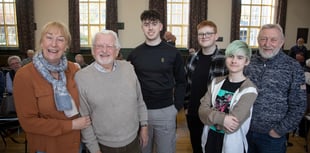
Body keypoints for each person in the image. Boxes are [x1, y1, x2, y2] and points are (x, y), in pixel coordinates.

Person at [13, 21, 91, 153]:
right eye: (49, 37)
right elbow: (28, 122)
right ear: (41, 42)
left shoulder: (73, 69)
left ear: (66, 46)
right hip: (46, 147)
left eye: (60, 40)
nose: (54, 44)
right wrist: (71, 125)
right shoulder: (24, 75)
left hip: (74, 144)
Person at [75, 29, 148, 153]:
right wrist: (94, 149)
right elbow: (84, 118)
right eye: (99, 46)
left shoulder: (128, 68)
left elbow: (139, 101)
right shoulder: (81, 77)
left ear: (117, 51)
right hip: (103, 146)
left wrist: (144, 126)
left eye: (109, 46)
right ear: (93, 50)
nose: (104, 50)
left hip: (133, 142)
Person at [127, 10, 187, 153]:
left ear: (161, 26)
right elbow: (128, 85)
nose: (150, 28)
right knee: (143, 150)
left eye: (154, 24)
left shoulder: (173, 53)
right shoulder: (134, 54)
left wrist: (176, 107)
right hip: (141, 113)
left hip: (166, 112)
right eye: (146, 24)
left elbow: (181, 81)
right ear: (142, 27)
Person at [245, 24, 307, 153]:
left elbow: (299, 104)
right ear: (258, 40)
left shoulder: (293, 67)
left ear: (281, 42)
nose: (267, 44)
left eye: (273, 39)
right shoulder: (247, 62)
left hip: (272, 138)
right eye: (263, 39)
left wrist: (279, 131)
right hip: (244, 131)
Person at [198, 40, 258, 153]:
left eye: (240, 57)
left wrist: (209, 117)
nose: (234, 61)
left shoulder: (250, 89)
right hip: (210, 138)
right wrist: (223, 119)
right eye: (231, 56)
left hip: (232, 143)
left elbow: (232, 127)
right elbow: (201, 111)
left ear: (247, 61)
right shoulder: (216, 82)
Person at [184, 20, 228, 153]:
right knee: (196, 148)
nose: (204, 36)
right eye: (201, 34)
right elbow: (187, 85)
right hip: (193, 113)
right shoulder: (192, 59)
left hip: (213, 115)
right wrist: (186, 107)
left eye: (208, 33)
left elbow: (228, 89)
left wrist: (221, 116)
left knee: (212, 149)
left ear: (216, 36)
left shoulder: (225, 60)